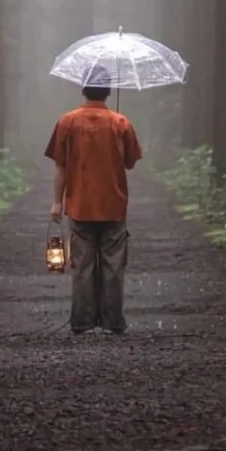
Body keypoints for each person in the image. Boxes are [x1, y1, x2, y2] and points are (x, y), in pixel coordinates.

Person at [44, 65, 143, 334]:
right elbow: (131, 162)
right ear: (108, 91)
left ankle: (82, 321)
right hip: (114, 204)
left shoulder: (67, 122)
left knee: (82, 266)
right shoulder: (121, 123)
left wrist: (57, 203)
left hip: (80, 204)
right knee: (113, 266)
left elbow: (60, 166)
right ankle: (112, 321)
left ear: (83, 89)